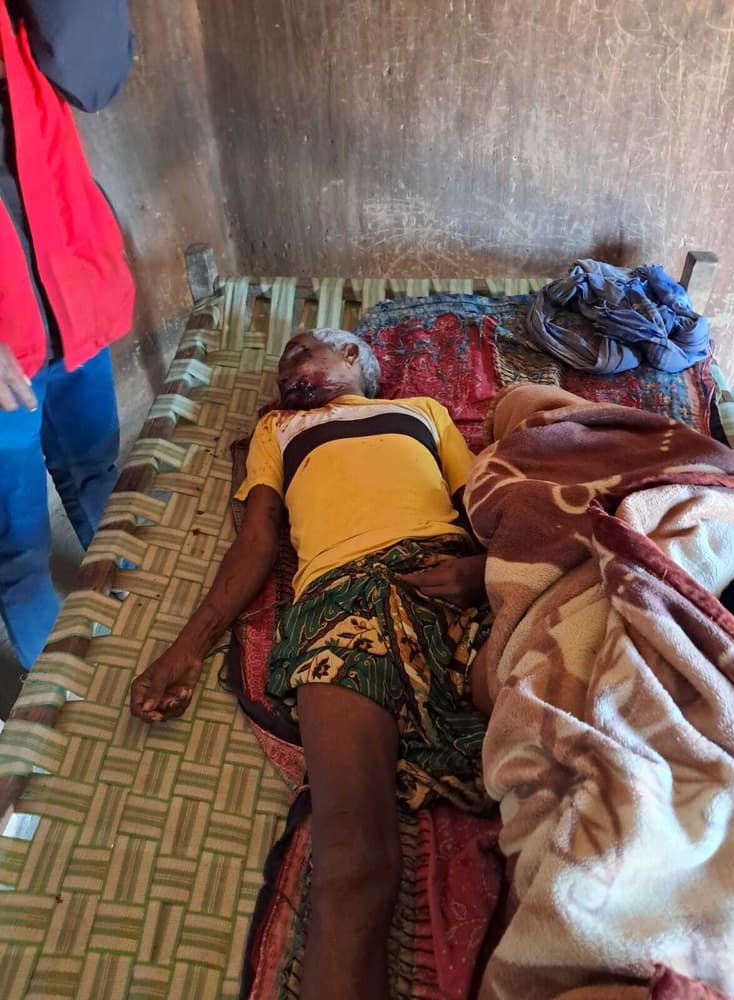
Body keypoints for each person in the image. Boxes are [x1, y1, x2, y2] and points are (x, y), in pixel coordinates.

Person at [131, 328, 490, 1000]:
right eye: (281, 364)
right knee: (352, 864)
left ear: (352, 357)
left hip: (444, 578)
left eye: (301, 351)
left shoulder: (422, 411)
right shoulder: (279, 430)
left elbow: (486, 508)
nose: (285, 368)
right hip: (337, 605)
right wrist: (187, 647)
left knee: (554, 760)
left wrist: (486, 571)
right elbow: (257, 541)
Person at [0, 0, 135, 670]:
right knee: (19, 555)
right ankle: (70, 709)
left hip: (67, 293)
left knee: (97, 474)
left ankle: (141, 636)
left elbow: (95, 75)